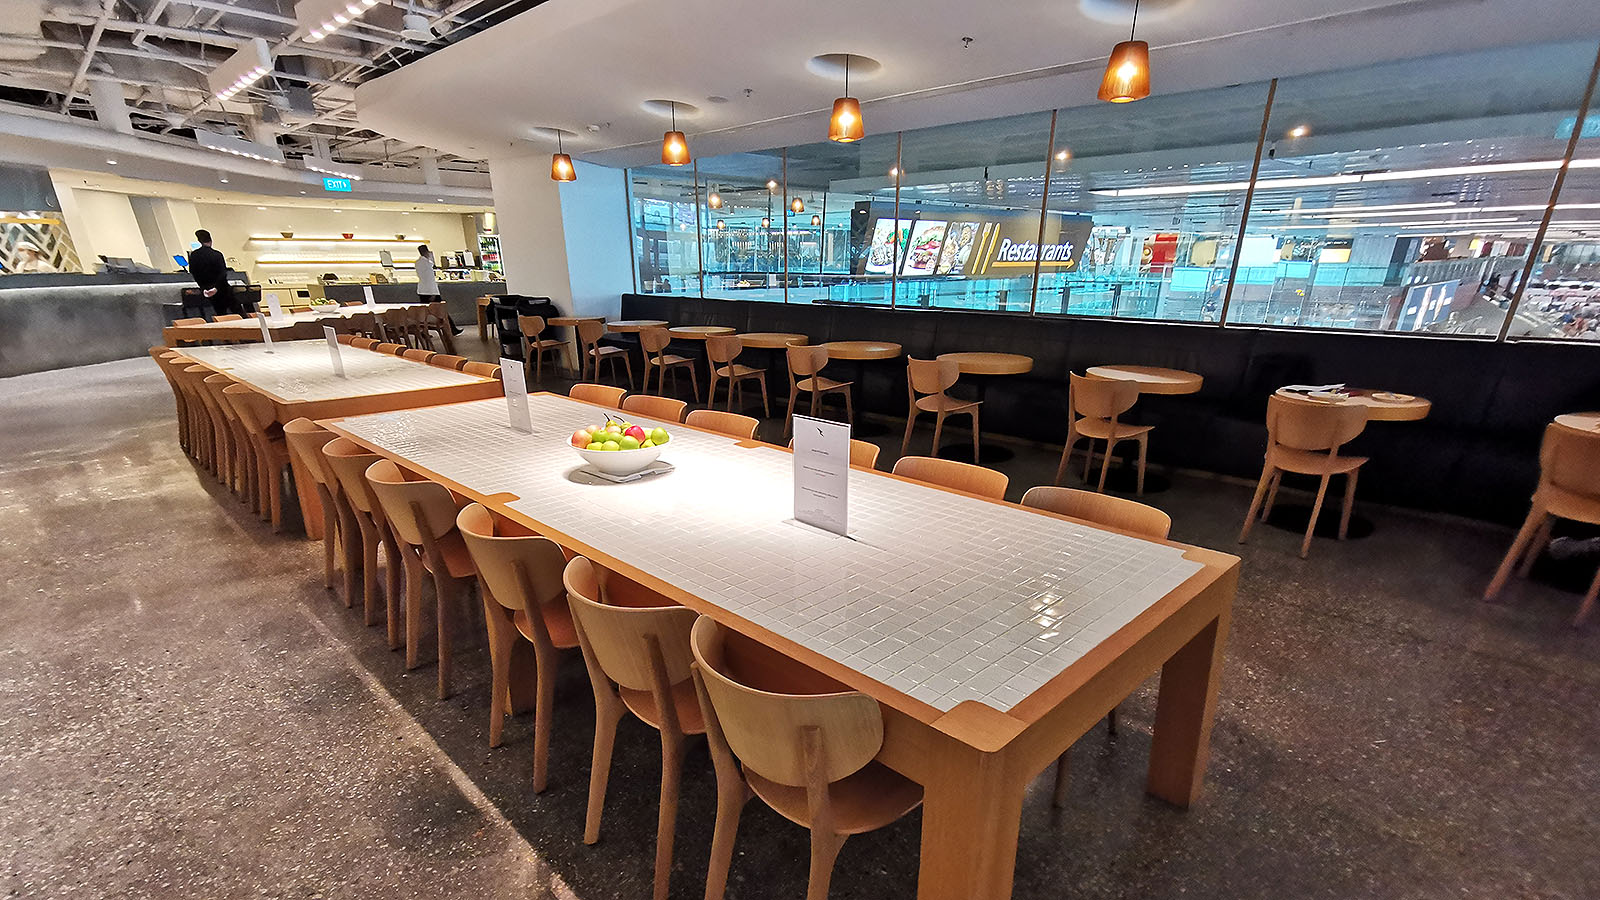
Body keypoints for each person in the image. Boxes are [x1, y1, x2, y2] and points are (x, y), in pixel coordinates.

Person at [188, 230, 240, 317]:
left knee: (221, 315)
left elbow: (193, 272)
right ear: (210, 240)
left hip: (206, 289)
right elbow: (223, 273)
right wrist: (216, 288)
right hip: (222, 289)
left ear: (199, 241)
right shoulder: (217, 254)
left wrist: (204, 287)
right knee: (237, 312)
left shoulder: (194, 255)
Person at [413, 244, 461, 334]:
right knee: (442, 311)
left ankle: (423, 332)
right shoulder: (427, 263)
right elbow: (430, 278)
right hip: (430, 291)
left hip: (422, 290)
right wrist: (434, 293)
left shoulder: (418, 263)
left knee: (424, 313)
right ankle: (452, 329)